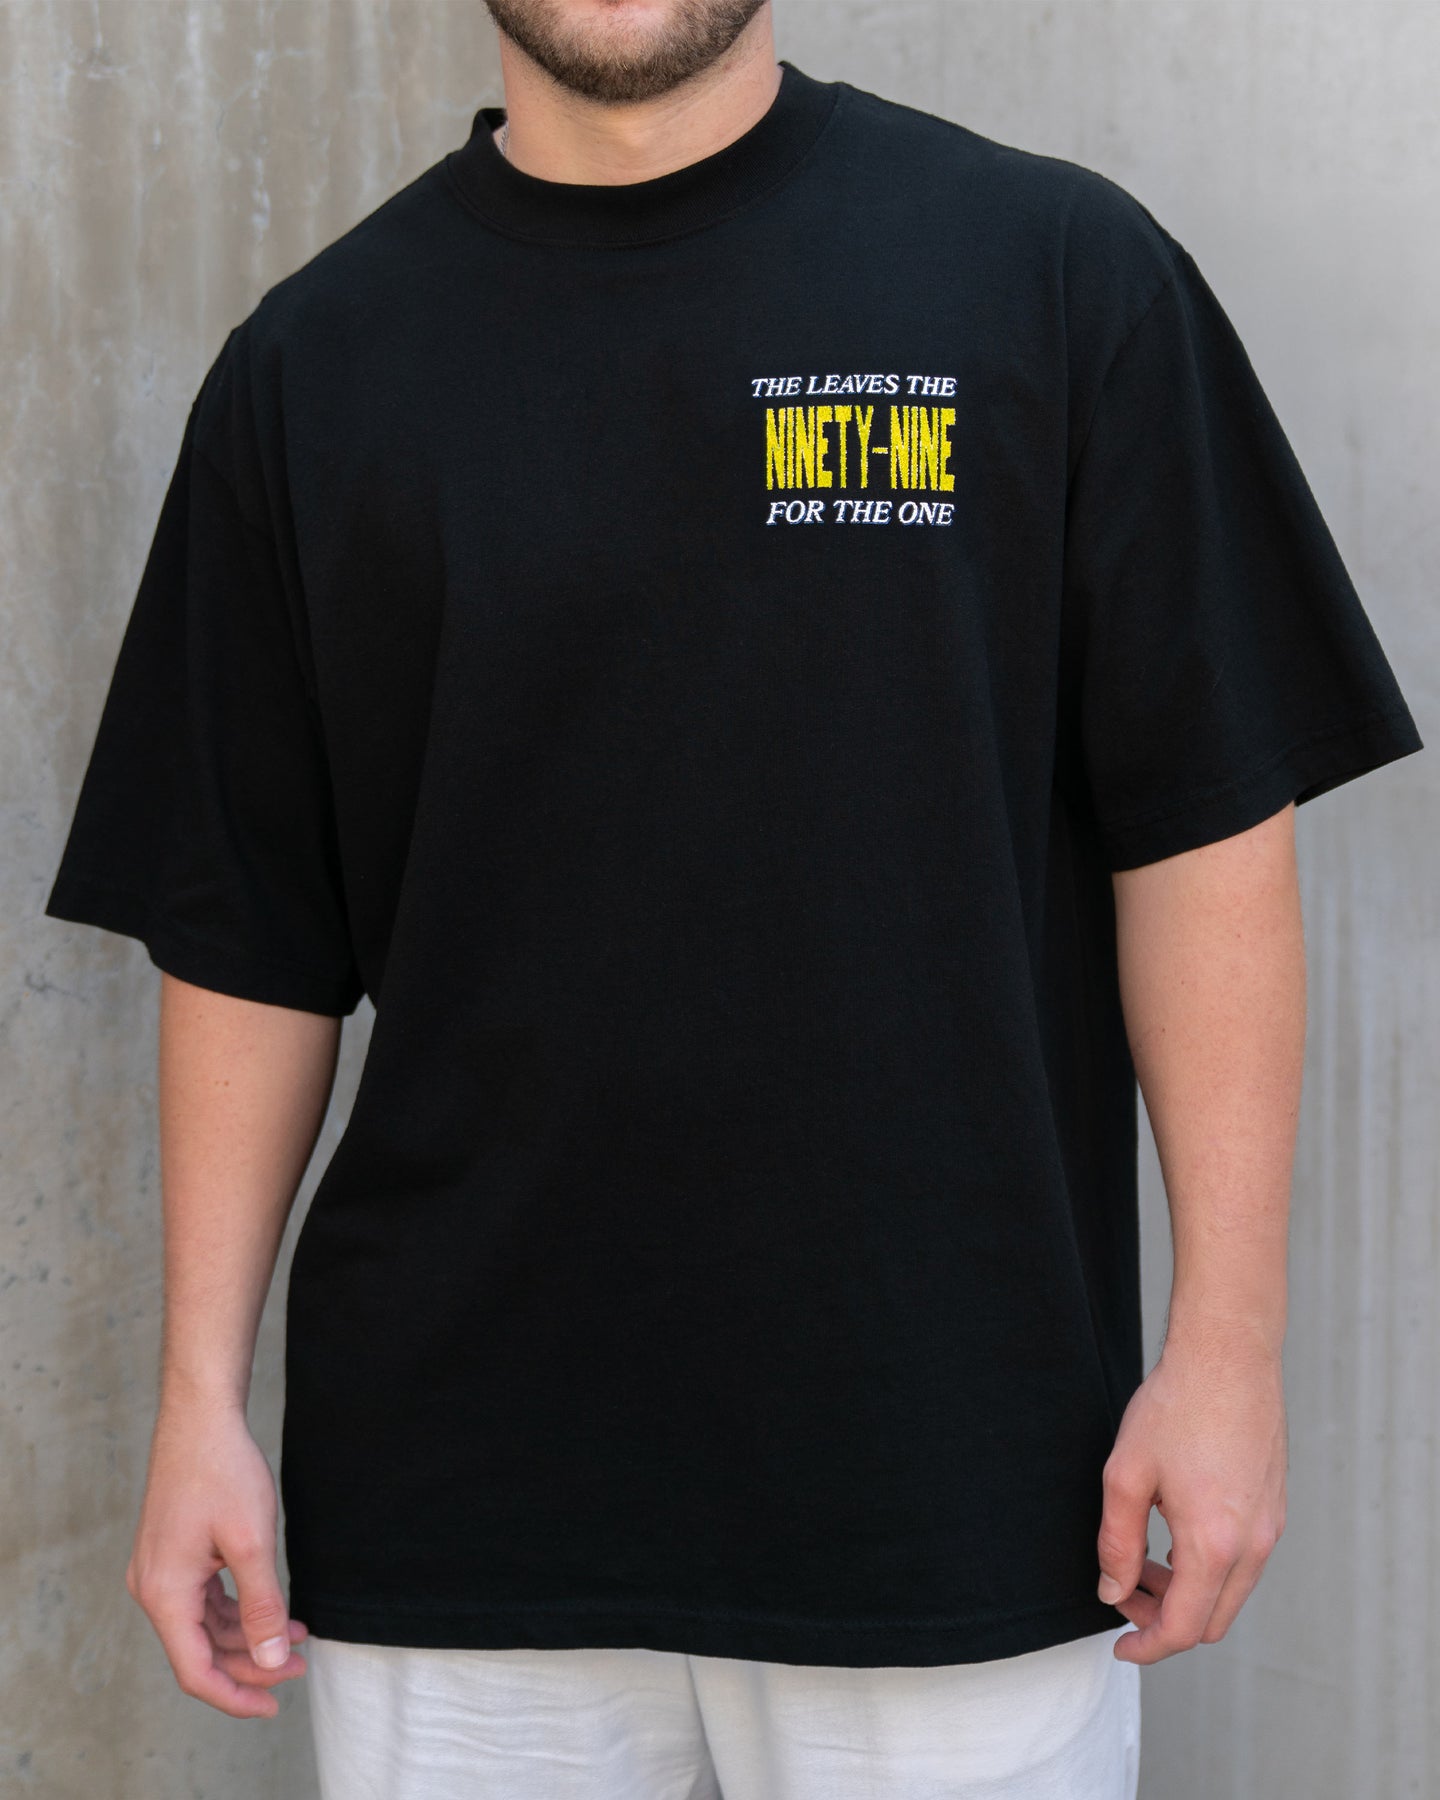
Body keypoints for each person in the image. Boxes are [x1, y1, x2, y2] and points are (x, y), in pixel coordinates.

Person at [44, 1, 1423, 1794]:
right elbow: (249, 942)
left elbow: (1207, 837)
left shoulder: (1054, 277)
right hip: (463, 1507)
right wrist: (199, 1404)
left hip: (952, 1483)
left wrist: (1227, 1353)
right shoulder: (314, 365)